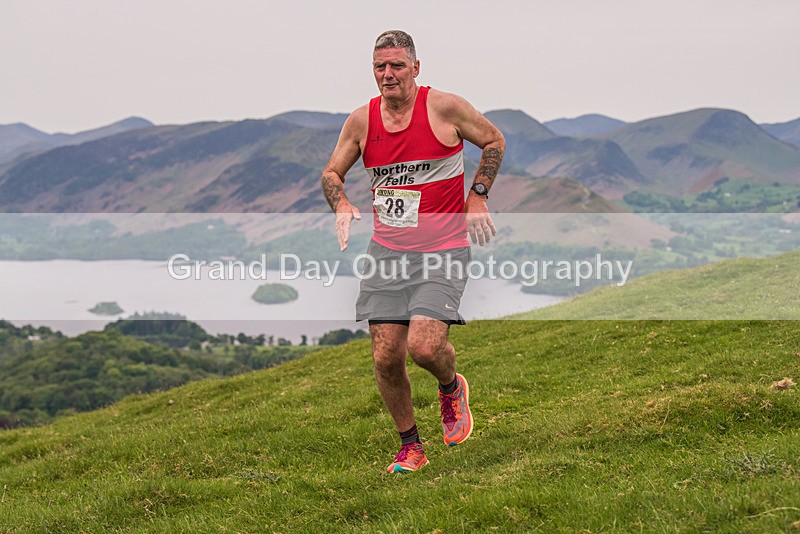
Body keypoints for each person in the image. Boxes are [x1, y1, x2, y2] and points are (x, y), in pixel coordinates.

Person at [321, 30, 505, 473]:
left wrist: (477, 195)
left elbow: (494, 141)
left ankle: (450, 387)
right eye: (380, 66)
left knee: (424, 348)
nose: (388, 75)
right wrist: (341, 202)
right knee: (385, 355)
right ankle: (411, 446)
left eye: (397, 66)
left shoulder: (443, 107)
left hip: (442, 249)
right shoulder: (361, 121)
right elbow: (332, 172)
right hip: (388, 252)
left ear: (416, 69)